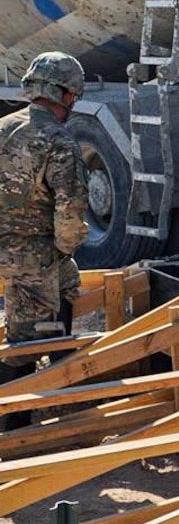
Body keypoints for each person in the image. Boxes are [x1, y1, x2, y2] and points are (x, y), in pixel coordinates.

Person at [0, 52, 88, 380]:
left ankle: (58, 356)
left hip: (9, 248)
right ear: (66, 96)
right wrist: (64, 248)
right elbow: (70, 215)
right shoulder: (58, 141)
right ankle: (15, 422)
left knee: (68, 281)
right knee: (21, 348)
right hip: (30, 258)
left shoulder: (4, 127)